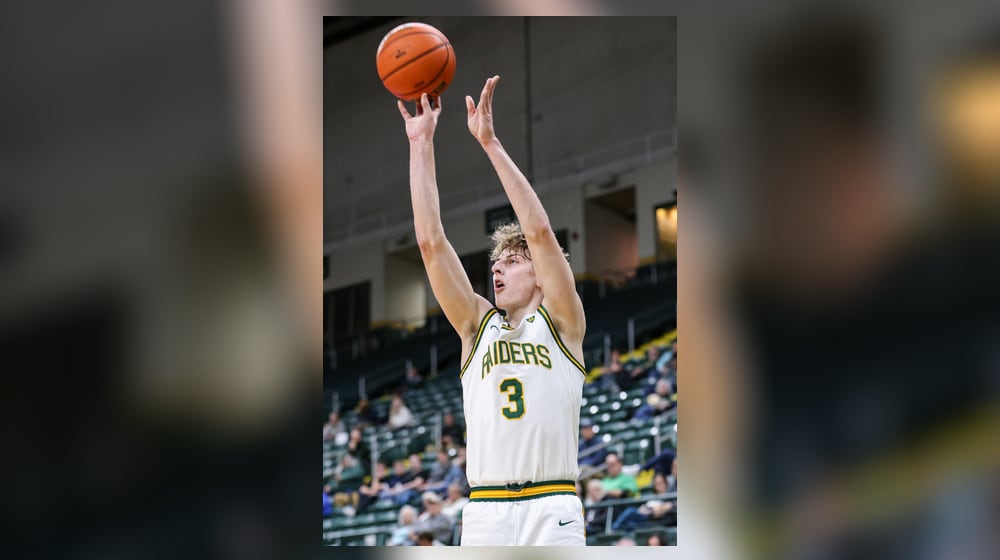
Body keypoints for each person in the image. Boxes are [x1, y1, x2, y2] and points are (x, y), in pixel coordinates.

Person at [398, 75, 587, 546]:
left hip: (553, 504)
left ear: (541, 275)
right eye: (495, 263)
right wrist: (421, 143)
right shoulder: (475, 327)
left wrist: (489, 143)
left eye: (512, 262)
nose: (497, 270)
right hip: (484, 509)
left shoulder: (563, 323)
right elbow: (430, 243)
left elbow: (540, 232)